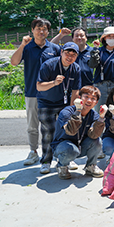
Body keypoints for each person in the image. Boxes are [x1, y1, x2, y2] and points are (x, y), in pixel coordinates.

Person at [10, 18, 61, 166]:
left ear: (48, 31)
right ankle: (33, 152)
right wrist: (22, 45)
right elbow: (14, 62)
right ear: (32, 30)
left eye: (44, 28)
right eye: (38, 28)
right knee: (32, 125)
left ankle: (53, 152)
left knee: (54, 125)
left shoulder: (54, 49)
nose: (41, 31)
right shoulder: (27, 47)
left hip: (51, 93)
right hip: (32, 92)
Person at [35, 42, 82, 174]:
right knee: (48, 132)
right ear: (61, 52)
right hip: (46, 102)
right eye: (67, 53)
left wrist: (73, 110)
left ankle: (66, 159)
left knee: (66, 130)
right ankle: (46, 161)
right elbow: (39, 86)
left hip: (64, 103)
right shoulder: (49, 65)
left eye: (73, 54)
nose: (70, 56)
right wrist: (54, 83)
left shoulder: (76, 68)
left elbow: (75, 91)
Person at [50, 86, 106, 180]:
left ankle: (90, 166)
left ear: (96, 103)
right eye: (86, 96)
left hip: (79, 147)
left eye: (93, 99)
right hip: (63, 148)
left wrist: (101, 118)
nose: (89, 100)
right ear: (79, 98)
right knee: (71, 149)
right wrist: (78, 111)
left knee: (97, 141)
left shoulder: (94, 115)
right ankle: (62, 166)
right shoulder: (66, 112)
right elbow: (70, 132)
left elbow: (94, 135)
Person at [90, 26, 114, 109]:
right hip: (100, 85)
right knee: (100, 110)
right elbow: (92, 65)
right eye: (109, 36)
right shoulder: (99, 51)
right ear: (104, 38)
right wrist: (95, 49)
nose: (112, 38)